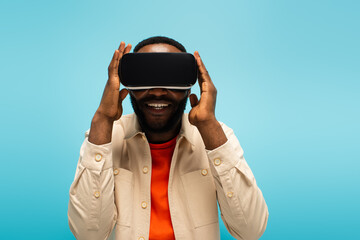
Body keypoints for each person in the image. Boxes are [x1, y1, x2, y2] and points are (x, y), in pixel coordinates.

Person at [68, 36, 268, 240]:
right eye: (145, 77)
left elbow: (250, 230)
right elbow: (87, 234)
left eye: (171, 77)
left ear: (190, 86)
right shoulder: (104, 139)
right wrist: (102, 119)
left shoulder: (216, 137)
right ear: (127, 86)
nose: (157, 92)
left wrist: (208, 125)